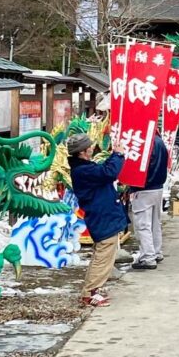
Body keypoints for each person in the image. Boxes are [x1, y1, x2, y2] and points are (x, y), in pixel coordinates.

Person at [66, 132, 128, 308]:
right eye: (90, 146)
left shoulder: (85, 167)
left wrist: (113, 156)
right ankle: (90, 293)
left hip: (103, 215)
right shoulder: (83, 170)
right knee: (103, 255)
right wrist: (117, 154)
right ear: (83, 151)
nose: (93, 148)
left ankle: (92, 288)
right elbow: (109, 173)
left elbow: (103, 171)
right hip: (102, 217)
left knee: (102, 254)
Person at [130, 132, 168, 270]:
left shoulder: (143, 142)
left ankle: (148, 256)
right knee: (154, 223)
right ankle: (156, 252)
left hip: (143, 187)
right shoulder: (159, 141)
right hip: (157, 187)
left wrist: (132, 186)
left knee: (143, 224)